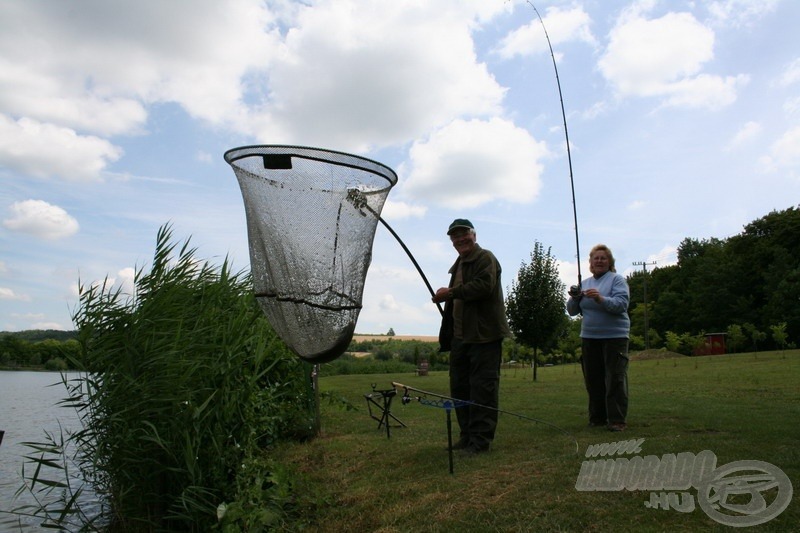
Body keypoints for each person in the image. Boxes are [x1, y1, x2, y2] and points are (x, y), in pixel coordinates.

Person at [432, 219, 512, 454]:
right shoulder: (458, 264)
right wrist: (444, 297)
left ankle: (480, 441)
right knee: (460, 388)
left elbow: (483, 287)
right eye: (455, 237)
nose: (460, 239)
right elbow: (457, 296)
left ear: (473, 235)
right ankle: (467, 436)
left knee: (482, 389)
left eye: (463, 234)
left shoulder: (485, 258)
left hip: (484, 337)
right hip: (460, 338)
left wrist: (452, 293)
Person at [567, 244, 631, 432]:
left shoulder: (617, 280)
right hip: (589, 337)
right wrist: (575, 298)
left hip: (615, 337)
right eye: (596, 258)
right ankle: (597, 418)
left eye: (603, 258)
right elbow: (572, 312)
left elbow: (621, 305)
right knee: (593, 379)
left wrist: (600, 299)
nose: (600, 261)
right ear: (590, 263)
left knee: (615, 379)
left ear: (610, 262)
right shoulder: (584, 283)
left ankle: (617, 420)